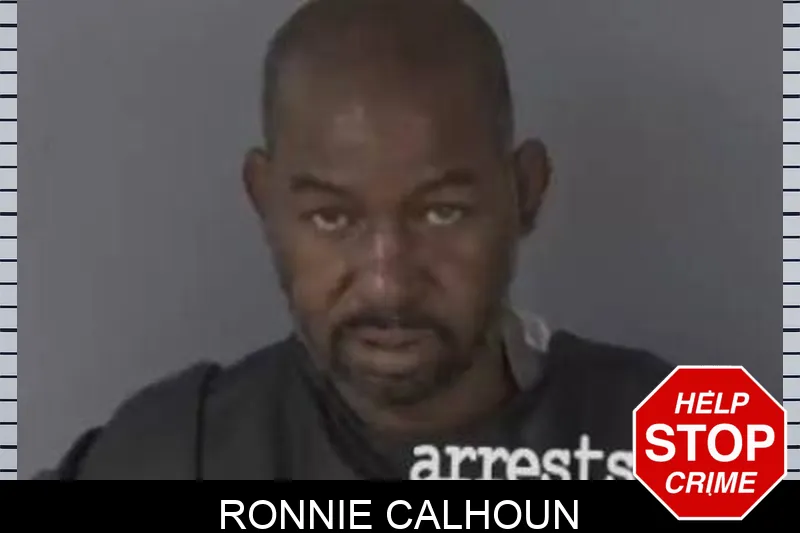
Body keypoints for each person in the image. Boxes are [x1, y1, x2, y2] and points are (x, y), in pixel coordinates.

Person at [37, 0, 672, 480]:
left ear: (525, 193)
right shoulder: (178, 453)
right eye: (332, 219)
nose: (387, 283)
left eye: (442, 213)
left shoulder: (682, 437)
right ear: (266, 202)